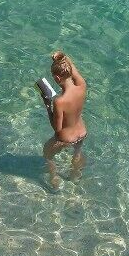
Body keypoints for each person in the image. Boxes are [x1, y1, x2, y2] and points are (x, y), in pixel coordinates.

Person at [42, 51, 87, 188]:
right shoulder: (81, 85)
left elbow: (57, 129)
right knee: (77, 154)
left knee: (47, 153)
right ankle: (75, 176)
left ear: (56, 78)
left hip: (66, 138)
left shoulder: (59, 101)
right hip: (82, 132)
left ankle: (54, 181)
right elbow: (72, 68)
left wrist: (48, 105)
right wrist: (64, 57)